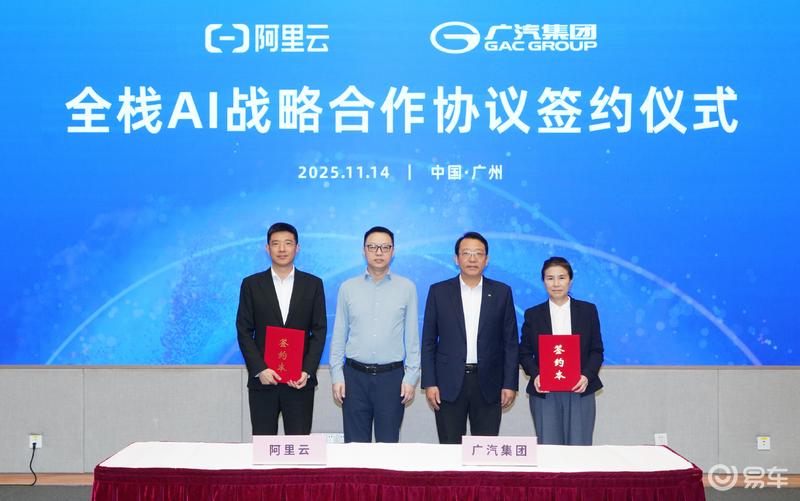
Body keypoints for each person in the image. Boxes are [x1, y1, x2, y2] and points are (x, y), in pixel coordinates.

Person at [421, 231, 519, 444]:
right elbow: (428, 341)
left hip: (489, 383)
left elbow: (511, 343)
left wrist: (510, 384)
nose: (472, 259)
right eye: (466, 253)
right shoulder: (439, 291)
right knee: (449, 448)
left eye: (478, 253)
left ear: (487, 259)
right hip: (448, 383)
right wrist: (429, 382)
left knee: (485, 449)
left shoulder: (502, 292)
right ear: (456, 259)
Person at [329, 226, 420, 443]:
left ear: (393, 251)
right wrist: (337, 375)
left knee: (387, 446)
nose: (379, 252)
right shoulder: (347, 288)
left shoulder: (407, 287)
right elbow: (339, 334)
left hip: (392, 379)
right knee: (355, 447)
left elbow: (412, 338)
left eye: (385, 247)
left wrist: (410, 377)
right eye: (372, 247)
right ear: (364, 250)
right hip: (354, 378)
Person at [236, 222, 327, 435]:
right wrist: (260, 369)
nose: (282, 249)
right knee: (264, 444)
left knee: (298, 444)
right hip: (264, 381)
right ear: (267, 248)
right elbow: (244, 330)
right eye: (276, 244)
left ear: (297, 247)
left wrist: (307, 371)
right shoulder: (251, 284)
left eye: (288, 243)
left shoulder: (313, 284)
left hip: (299, 382)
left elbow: (319, 331)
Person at [519, 256, 604, 445]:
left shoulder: (588, 311)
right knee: (549, 447)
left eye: (562, 277)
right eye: (550, 278)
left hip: (580, 388)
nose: (556, 284)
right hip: (545, 390)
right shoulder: (533, 314)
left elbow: (596, 350)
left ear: (570, 280)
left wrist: (586, 376)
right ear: (543, 281)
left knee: (579, 447)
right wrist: (536, 375)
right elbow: (524, 352)